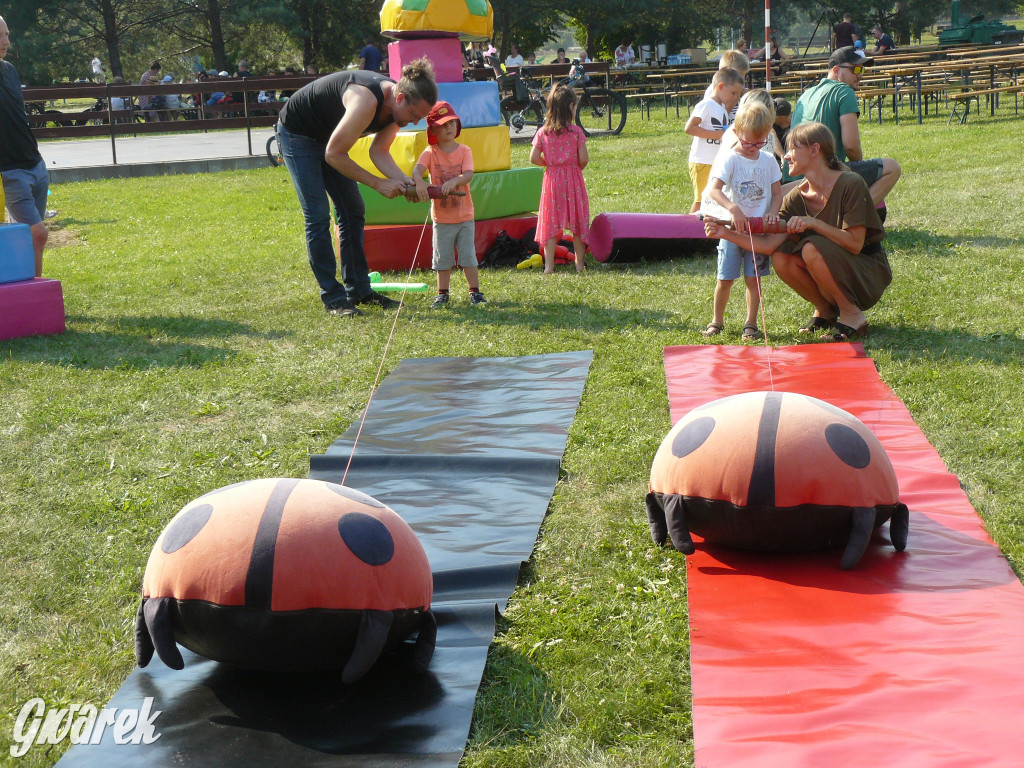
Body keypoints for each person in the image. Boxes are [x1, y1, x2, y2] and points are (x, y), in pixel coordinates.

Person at [276, 59, 438, 317]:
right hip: (299, 135)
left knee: (352, 208)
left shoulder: (396, 110)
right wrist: (378, 184)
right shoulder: (366, 100)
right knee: (317, 214)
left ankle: (359, 290)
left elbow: (379, 152)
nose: (415, 122)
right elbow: (334, 154)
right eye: (415, 115)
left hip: (330, 141)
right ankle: (334, 298)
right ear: (400, 99)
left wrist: (405, 182)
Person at [705, 122, 890, 342]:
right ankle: (825, 310)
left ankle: (852, 315)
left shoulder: (850, 183)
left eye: (793, 149)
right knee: (781, 256)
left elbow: (855, 244)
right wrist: (725, 233)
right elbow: (767, 246)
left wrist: (814, 223)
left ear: (814, 150)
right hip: (838, 269)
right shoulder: (796, 196)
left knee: (810, 248)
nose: (786, 157)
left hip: (867, 273)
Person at [699, 102, 782, 340]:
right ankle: (717, 320)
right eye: (748, 143)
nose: (753, 148)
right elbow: (714, 190)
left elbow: (777, 193)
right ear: (736, 133)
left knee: (753, 279)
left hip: (758, 233)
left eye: (760, 143)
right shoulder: (730, 159)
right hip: (731, 231)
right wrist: (733, 209)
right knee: (724, 279)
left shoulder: (767, 160)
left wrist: (773, 213)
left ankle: (751, 323)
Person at [785, 47, 901, 216]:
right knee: (892, 167)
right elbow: (851, 145)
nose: (860, 74)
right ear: (836, 70)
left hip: (791, 180)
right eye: (855, 69)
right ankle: (850, 218)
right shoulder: (844, 90)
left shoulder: (806, 94)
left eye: (862, 69)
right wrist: (858, 169)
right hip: (819, 178)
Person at [411, 101, 486, 308]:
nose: (449, 128)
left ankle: (475, 292)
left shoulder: (464, 151)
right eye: (443, 125)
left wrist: (454, 181)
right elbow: (417, 171)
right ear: (433, 129)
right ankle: (442, 294)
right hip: (442, 219)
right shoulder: (430, 152)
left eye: (452, 123)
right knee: (442, 258)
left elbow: (468, 174)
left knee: (468, 256)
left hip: (464, 217)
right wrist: (420, 182)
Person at [1, 14, 48, 277]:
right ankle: (35, 291)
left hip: (36, 165)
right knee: (37, 233)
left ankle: (18, 291)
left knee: (25, 237)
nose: (6, 41)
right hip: (10, 171)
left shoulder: (9, 70)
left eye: (7, 34)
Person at [530, 85, 590, 273]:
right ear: (571, 106)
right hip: (573, 180)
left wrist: (550, 163)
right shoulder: (576, 132)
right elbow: (584, 159)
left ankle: (549, 266)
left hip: (552, 181)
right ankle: (579, 264)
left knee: (550, 222)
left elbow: (533, 158)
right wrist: (572, 167)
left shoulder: (543, 132)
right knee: (578, 221)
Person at [687, 67, 745, 213]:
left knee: (710, 199)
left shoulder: (721, 108)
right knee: (701, 200)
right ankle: (688, 230)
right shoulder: (706, 105)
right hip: (702, 161)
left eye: (738, 94)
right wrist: (718, 135)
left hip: (713, 162)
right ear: (720, 86)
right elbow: (689, 128)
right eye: (733, 93)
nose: (736, 97)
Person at [703, 50, 750, 120]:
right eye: (739, 76)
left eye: (744, 76)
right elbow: (716, 119)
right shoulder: (714, 92)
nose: (742, 80)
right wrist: (733, 102)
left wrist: (748, 99)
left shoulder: (738, 88)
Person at [772, 96, 792, 167]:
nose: (770, 116)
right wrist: (782, 155)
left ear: (781, 117)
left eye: (773, 114)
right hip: (776, 161)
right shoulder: (771, 125)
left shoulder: (794, 126)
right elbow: (773, 137)